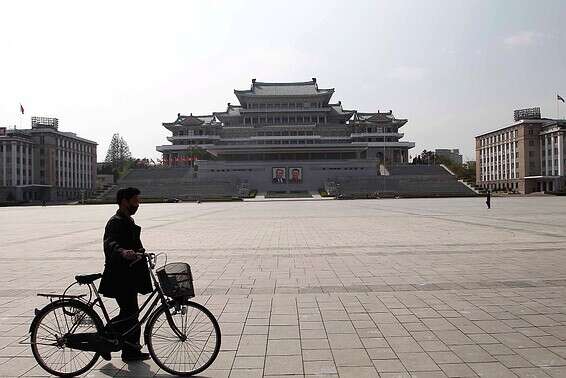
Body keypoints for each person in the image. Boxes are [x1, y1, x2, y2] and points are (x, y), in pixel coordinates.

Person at [98, 187, 152, 362]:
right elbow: (110, 243)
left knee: (131, 312)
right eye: (135, 201)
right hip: (119, 275)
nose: (138, 204)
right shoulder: (115, 221)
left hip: (129, 274)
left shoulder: (127, 220)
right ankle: (105, 337)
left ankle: (131, 351)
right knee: (129, 312)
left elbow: (133, 242)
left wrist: (140, 251)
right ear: (124, 201)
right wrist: (122, 252)